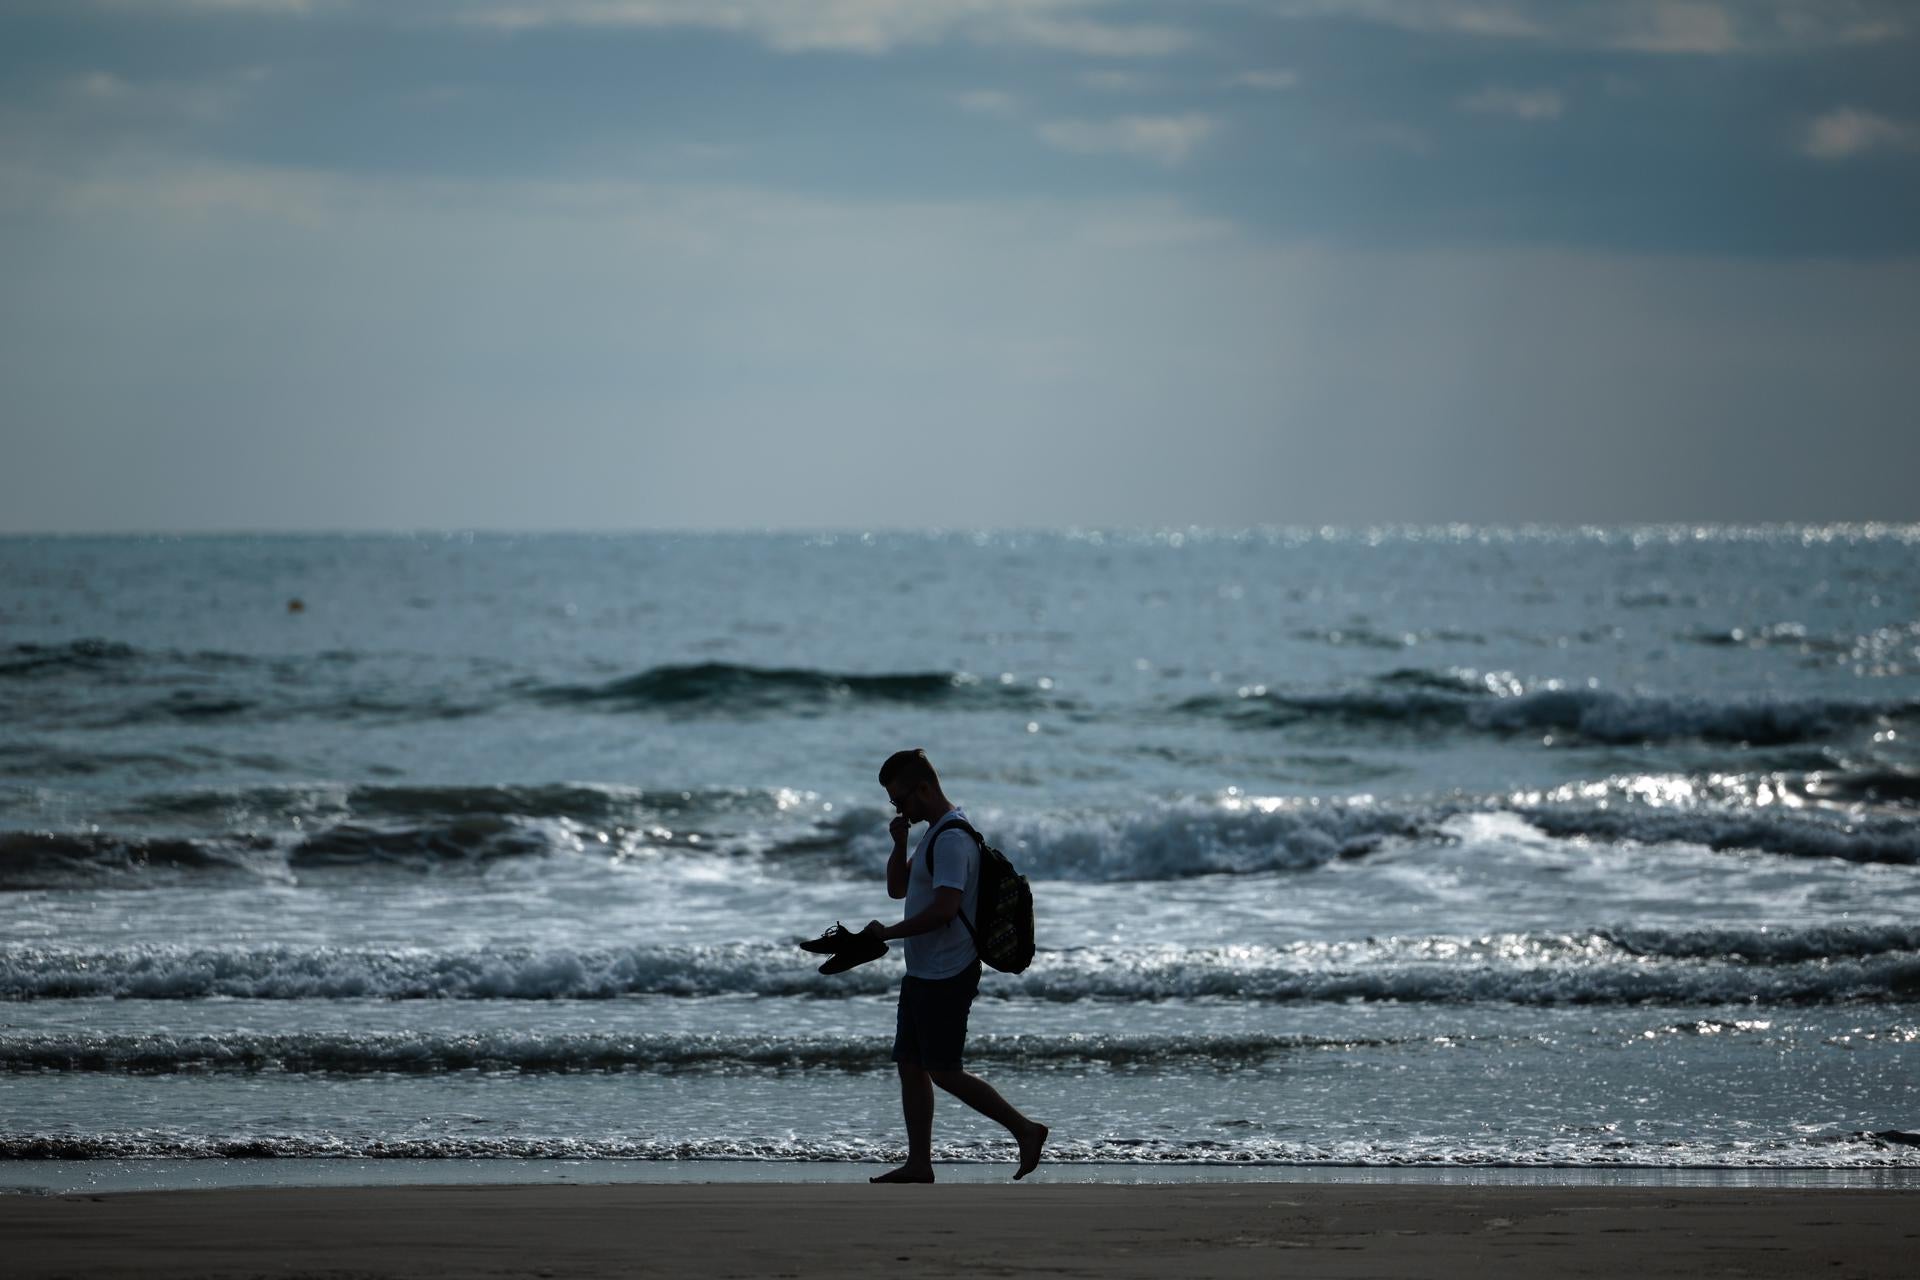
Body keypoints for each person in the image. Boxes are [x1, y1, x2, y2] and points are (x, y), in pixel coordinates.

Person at [861, 748, 1048, 1183]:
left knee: (944, 1070)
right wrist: (899, 844)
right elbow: (898, 888)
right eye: (892, 802)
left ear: (924, 788)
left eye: (900, 799)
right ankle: (919, 1163)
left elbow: (945, 910)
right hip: (924, 970)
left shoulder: (951, 839)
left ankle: (1026, 1130)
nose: (898, 809)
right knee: (910, 1064)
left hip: (948, 972)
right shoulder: (934, 833)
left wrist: (888, 933)